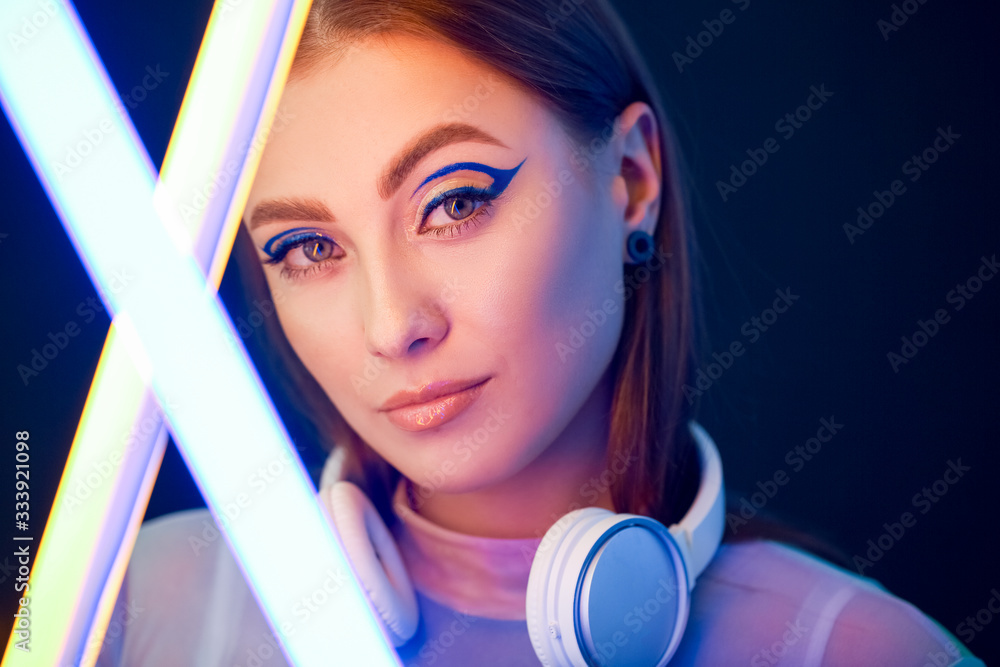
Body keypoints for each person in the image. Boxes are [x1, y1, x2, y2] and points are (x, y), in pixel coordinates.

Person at [98, 0, 985, 665]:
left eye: (454, 202)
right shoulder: (123, 604)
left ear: (631, 179)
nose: (392, 324)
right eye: (308, 247)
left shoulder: (860, 651)